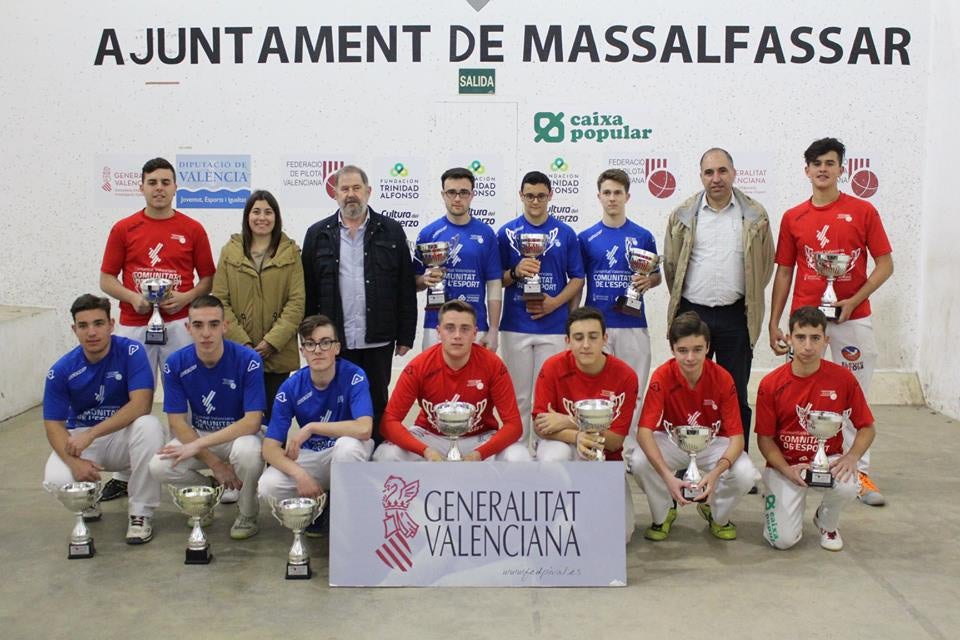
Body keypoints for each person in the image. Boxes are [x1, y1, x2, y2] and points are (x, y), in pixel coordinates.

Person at [768, 137, 893, 507]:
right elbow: (785, 271)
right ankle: (793, 466)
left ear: (842, 169)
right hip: (806, 320)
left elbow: (885, 264)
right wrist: (775, 322)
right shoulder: (794, 217)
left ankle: (859, 473)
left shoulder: (863, 211)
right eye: (816, 163)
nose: (823, 168)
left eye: (830, 162)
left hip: (854, 319)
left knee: (854, 393)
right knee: (800, 396)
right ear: (806, 170)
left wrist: (853, 301)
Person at [99, 157, 216, 502]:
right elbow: (106, 279)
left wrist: (186, 297)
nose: (159, 188)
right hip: (135, 326)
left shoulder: (193, 228)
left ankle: (188, 459)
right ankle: (124, 472)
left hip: (180, 324)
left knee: (187, 393)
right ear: (142, 187)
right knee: (131, 396)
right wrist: (133, 298)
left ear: (176, 187)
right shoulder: (124, 228)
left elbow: (207, 278)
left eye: (166, 182)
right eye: (153, 182)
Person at [663, 148, 774, 455]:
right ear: (701, 177)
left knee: (735, 392)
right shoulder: (683, 215)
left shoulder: (755, 215)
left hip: (736, 317)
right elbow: (672, 267)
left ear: (734, 173)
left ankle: (736, 462)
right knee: (688, 393)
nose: (716, 179)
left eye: (722, 171)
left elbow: (764, 267)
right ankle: (689, 457)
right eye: (709, 173)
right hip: (691, 315)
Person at [301, 165, 417, 446]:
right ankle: (337, 466)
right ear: (335, 194)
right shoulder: (317, 234)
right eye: (344, 189)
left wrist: (406, 334)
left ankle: (375, 468)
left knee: (377, 405)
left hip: (378, 338)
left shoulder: (391, 230)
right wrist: (308, 338)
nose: (350, 195)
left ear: (368, 192)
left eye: (356, 188)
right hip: (335, 341)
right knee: (338, 406)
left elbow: (405, 285)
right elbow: (308, 290)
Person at [42, 294, 164, 544]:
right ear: (74, 329)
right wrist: (74, 463)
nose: (92, 332)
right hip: (84, 442)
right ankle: (86, 501)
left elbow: (141, 405)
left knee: (150, 426)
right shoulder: (61, 369)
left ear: (112, 324)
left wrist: (92, 433)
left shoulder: (132, 352)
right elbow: (53, 424)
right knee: (56, 479)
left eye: (98, 323)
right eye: (83, 326)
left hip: (122, 437)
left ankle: (140, 513)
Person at [757, 306, 876, 551]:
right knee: (782, 541)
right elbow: (765, 440)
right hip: (786, 464)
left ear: (826, 341)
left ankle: (827, 522)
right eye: (800, 337)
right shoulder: (771, 383)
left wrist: (852, 457)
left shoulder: (843, 379)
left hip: (827, 460)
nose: (808, 346)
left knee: (848, 483)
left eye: (815, 338)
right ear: (789, 338)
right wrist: (786, 469)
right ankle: (782, 503)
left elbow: (867, 428)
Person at [629, 311, 756, 541]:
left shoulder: (723, 378)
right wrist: (668, 477)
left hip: (712, 442)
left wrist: (716, 474)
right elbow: (644, 432)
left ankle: (716, 513)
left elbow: (737, 439)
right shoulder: (661, 376)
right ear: (672, 349)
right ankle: (665, 510)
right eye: (683, 350)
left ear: (708, 347)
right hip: (672, 440)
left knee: (746, 473)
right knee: (638, 461)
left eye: (697, 349)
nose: (690, 357)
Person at [148, 295, 266, 540]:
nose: (206, 333)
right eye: (198, 325)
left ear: (225, 326)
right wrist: (215, 465)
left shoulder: (248, 360)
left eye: (213, 324)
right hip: (200, 434)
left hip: (240, 435)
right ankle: (207, 493)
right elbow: (177, 422)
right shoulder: (175, 363)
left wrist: (199, 446)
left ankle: (247, 512)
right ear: (188, 328)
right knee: (158, 465)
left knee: (247, 453)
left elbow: (252, 421)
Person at [374, 300, 531, 462]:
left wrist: (479, 454)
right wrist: (425, 451)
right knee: (386, 453)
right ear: (438, 332)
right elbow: (389, 423)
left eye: (465, 329)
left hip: (479, 437)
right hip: (430, 436)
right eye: (450, 328)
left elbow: (514, 425)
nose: (457, 335)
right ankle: (410, 488)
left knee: (519, 456)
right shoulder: (419, 366)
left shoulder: (493, 364)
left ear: (474, 333)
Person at [532, 306, 638, 543]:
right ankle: (558, 511)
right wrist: (577, 436)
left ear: (605, 339)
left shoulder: (625, 376)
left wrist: (566, 420)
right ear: (567, 341)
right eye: (578, 338)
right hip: (565, 446)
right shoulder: (552, 367)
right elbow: (541, 426)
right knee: (552, 457)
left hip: (604, 456)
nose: (586, 345)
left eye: (593, 337)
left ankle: (594, 507)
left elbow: (615, 441)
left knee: (621, 537)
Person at [498, 171, 585, 444]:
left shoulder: (566, 233)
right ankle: (518, 449)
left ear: (550, 196)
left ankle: (547, 450)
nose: (535, 201)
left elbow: (578, 278)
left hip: (553, 326)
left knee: (547, 398)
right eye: (529, 196)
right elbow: (496, 278)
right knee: (519, 395)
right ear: (521, 196)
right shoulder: (506, 233)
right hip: (515, 326)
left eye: (541, 196)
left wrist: (554, 304)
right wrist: (515, 271)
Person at [258, 315, 374, 512]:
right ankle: (314, 508)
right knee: (267, 487)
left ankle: (347, 516)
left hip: (343, 451)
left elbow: (364, 429)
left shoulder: (354, 375)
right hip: (312, 455)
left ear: (337, 348)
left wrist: (311, 428)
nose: (318, 350)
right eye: (310, 344)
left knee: (348, 447)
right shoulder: (291, 387)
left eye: (325, 342)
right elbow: (269, 449)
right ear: (303, 351)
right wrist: (300, 475)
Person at [578, 168, 660, 444]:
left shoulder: (643, 236)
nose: (612, 198)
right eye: (607, 193)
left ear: (627, 196)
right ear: (599, 197)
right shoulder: (585, 238)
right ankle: (596, 444)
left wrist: (650, 280)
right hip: (596, 326)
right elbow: (578, 281)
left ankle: (629, 449)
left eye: (618, 193)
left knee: (634, 390)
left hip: (633, 324)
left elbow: (656, 275)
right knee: (596, 391)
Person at [212, 189, 305, 422]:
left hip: (278, 352)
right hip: (238, 351)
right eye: (256, 212)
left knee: (276, 416)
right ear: (247, 216)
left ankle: (274, 459)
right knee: (241, 416)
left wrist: (271, 342)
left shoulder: (291, 253)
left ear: (276, 217)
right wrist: (242, 343)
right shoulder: (229, 252)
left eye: (268, 212)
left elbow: (296, 302)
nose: (262, 217)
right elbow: (220, 300)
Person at [415, 167, 502, 351]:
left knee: (475, 380)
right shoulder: (428, 233)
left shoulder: (487, 234)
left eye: (463, 192)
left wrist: (493, 330)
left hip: (475, 326)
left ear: (472, 194)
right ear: (443, 194)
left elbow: (494, 283)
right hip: (435, 326)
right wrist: (424, 280)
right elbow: (413, 282)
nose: (457, 198)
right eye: (451, 192)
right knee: (435, 380)